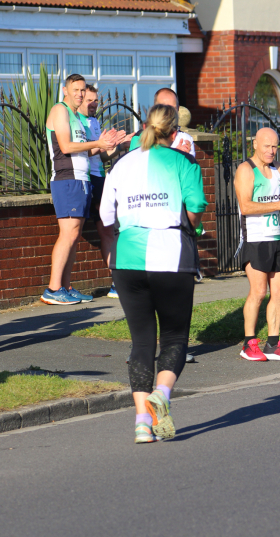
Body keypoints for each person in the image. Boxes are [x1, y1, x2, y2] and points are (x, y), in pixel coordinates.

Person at [99, 103, 207, 443]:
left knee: (141, 341)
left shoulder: (121, 163)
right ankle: (162, 393)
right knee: (174, 336)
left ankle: (142, 424)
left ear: (145, 127)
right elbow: (196, 210)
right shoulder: (184, 162)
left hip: (128, 258)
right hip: (171, 256)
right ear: (175, 133)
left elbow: (104, 216)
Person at [41, 74, 122, 305]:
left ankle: (65, 287)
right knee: (67, 234)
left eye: (81, 90)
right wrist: (98, 143)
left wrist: (108, 145)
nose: (79, 94)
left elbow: (85, 151)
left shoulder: (77, 116)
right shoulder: (60, 110)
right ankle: (53, 289)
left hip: (82, 178)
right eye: (75, 89)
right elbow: (66, 147)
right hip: (67, 179)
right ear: (65, 90)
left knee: (74, 235)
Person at [234, 128, 280, 362]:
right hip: (255, 239)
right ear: (255, 144)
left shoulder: (278, 169)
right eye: (266, 146)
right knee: (258, 292)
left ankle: (273, 344)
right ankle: (248, 344)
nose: (271, 151)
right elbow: (246, 206)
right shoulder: (246, 170)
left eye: (275, 146)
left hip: (275, 238)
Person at [77, 85, 119, 298]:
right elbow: (80, 151)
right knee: (75, 231)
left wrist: (113, 147)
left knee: (108, 230)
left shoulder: (94, 121)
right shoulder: (76, 121)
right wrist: (101, 145)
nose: (93, 104)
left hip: (100, 178)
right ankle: (63, 286)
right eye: (89, 100)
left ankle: (117, 283)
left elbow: (100, 156)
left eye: (96, 101)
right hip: (85, 179)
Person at [127, 88, 194, 156]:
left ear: (178, 109)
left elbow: (190, 165)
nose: (169, 114)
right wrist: (175, 155)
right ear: (155, 109)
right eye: (163, 108)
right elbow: (138, 163)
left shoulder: (186, 138)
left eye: (173, 109)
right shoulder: (140, 137)